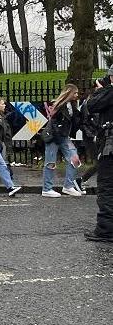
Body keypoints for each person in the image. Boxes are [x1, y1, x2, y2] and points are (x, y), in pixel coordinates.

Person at [83, 72, 113, 242]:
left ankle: (106, 230)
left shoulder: (110, 92)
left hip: (110, 148)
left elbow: (91, 105)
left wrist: (102, 90)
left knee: (107, 187)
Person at [41, 84, 83, 198]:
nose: (77, 95)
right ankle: (47, 189)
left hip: (64, 137)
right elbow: (54, 123)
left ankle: (68, 186)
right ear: (69, 93)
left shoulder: (72, 105)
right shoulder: (58, 105)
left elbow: (75, 121)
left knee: (74, 159)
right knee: (50, 162)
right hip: (53, 137)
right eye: (75, 93)